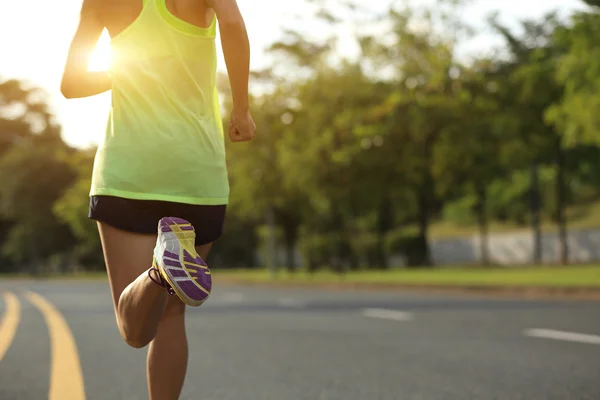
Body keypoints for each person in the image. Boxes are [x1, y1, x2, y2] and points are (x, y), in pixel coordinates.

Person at [60, 0, 255, 398]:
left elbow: (71, 84)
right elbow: (232, 20)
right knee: (172, 314)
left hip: (129, 174)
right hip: (196, 174)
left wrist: (125, 68)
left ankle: (157, 273)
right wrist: (242, 109)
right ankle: (166, 269)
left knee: (135, 331)